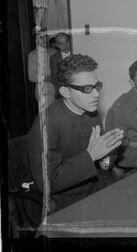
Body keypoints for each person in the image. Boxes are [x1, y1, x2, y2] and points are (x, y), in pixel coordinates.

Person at [28, 54, 124, 215]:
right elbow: (47, 184)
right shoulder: (46, 125)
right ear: (65, 91)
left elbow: (103, 157)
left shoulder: (90, 111)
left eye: (97, 86)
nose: (96, 94)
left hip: (95, 185)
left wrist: (106, 158)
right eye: (87, 89)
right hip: (66, 201)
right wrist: (91, 156)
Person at [28, 33, 57, 108]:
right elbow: (32, 76)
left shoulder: (54, 52)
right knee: (48, 115)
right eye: (41, 38)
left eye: (46, 38)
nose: (44, 40)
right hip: (44, 90)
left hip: (57, 88)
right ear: (36, 40)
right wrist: (48, 78)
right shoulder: (33, 55)